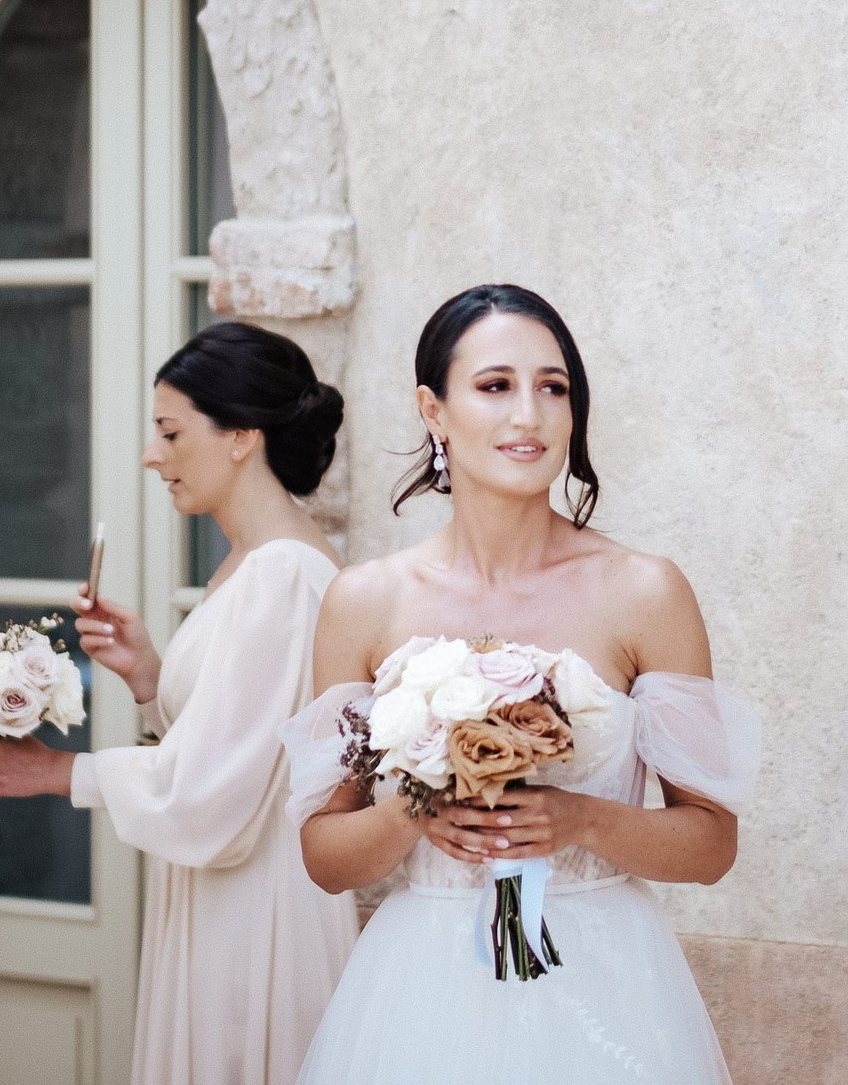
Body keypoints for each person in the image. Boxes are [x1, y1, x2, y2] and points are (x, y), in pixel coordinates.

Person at [286, 284, 759, 1085]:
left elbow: (711, 844)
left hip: (606, 982)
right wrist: (410, 813)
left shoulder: (646, 592)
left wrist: (576, 819)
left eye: (554, 388)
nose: (530, 415)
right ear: (434, 411)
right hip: (423, 991)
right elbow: (325, 857)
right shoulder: (364, 601)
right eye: (496, 385)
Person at [0, 321, 359, 1085]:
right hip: (224, 890)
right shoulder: (248, 567)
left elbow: (210, 790)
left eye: (170, 433)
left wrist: (53, 773)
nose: (150, 456)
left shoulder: (280, 577)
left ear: (242, 435)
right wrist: (149, 677)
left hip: (257, 911)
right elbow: (241, 749)